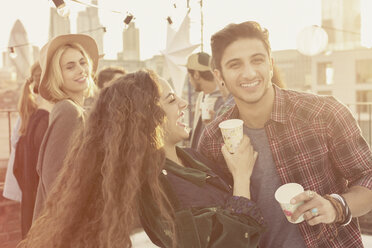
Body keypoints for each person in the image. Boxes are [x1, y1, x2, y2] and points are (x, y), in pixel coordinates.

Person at [19, 70, 265, 248]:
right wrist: (241, 179)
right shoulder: (148, 187)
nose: (183, 104)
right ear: (146, 117)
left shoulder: (191, 157)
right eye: (171, 100)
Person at [197, 21, 372, 248]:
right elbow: (216, 226)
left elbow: (367, 177)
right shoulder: (212, 141)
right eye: (235, 64)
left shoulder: (324, 113)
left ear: (270, 65)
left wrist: (335, 206)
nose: (249, 72)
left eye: (257, 60)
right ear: (219, 76)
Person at [32, 33, 99, 220]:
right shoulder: (67, 110)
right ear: (57, 76)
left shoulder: (79, 110)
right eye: (70, 67)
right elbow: (54, 180)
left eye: (82, 62)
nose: (80, 70)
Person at [12, 62, 53, 238]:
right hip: (44, 214)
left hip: (31, 212)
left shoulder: (30, 122)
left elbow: (17, 170)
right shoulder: (45, 122)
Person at [186, 52, 227, 149]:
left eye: (189, 76)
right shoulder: (201, 97)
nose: (189, 80)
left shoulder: (226, 100)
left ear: (196, 75)